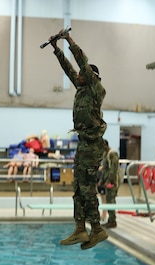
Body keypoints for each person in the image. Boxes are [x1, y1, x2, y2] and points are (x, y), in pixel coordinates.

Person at [48, 29, 108, 250]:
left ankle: (97, 229)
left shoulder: (95, 90)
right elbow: (69, 69)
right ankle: (80, 229)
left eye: (83, 74)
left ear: (91, 77)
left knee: (87, 188)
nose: (78, 76)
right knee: (77, 188)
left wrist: (69, 40)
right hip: (83, 144)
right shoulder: (82, 88)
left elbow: (81, 63)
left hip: (92, 146)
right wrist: (56, 49)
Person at [98, 140, 120, 228]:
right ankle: (110, 220)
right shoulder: (105, 154)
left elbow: (113, 170)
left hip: (112, 182)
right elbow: (105, 170)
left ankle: (112, 221)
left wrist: (110, 182)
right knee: (108, 200)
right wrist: (101, 181)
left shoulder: (112, 154)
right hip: (107, 181)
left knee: (111, 200)